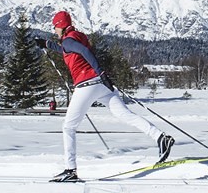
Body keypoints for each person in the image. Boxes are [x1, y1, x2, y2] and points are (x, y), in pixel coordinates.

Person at [38, 10, 174, 182]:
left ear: (61, 26)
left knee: (68, 127)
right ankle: (161, 138)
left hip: (87, 85)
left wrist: (100, 72)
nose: (54, 31)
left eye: (55, 27)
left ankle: (70, 170)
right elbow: (68, 49)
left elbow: (84, 52)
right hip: (101, 85)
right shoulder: (76, 37)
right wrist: (47, 44)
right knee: (125, 115)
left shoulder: (69, 40)